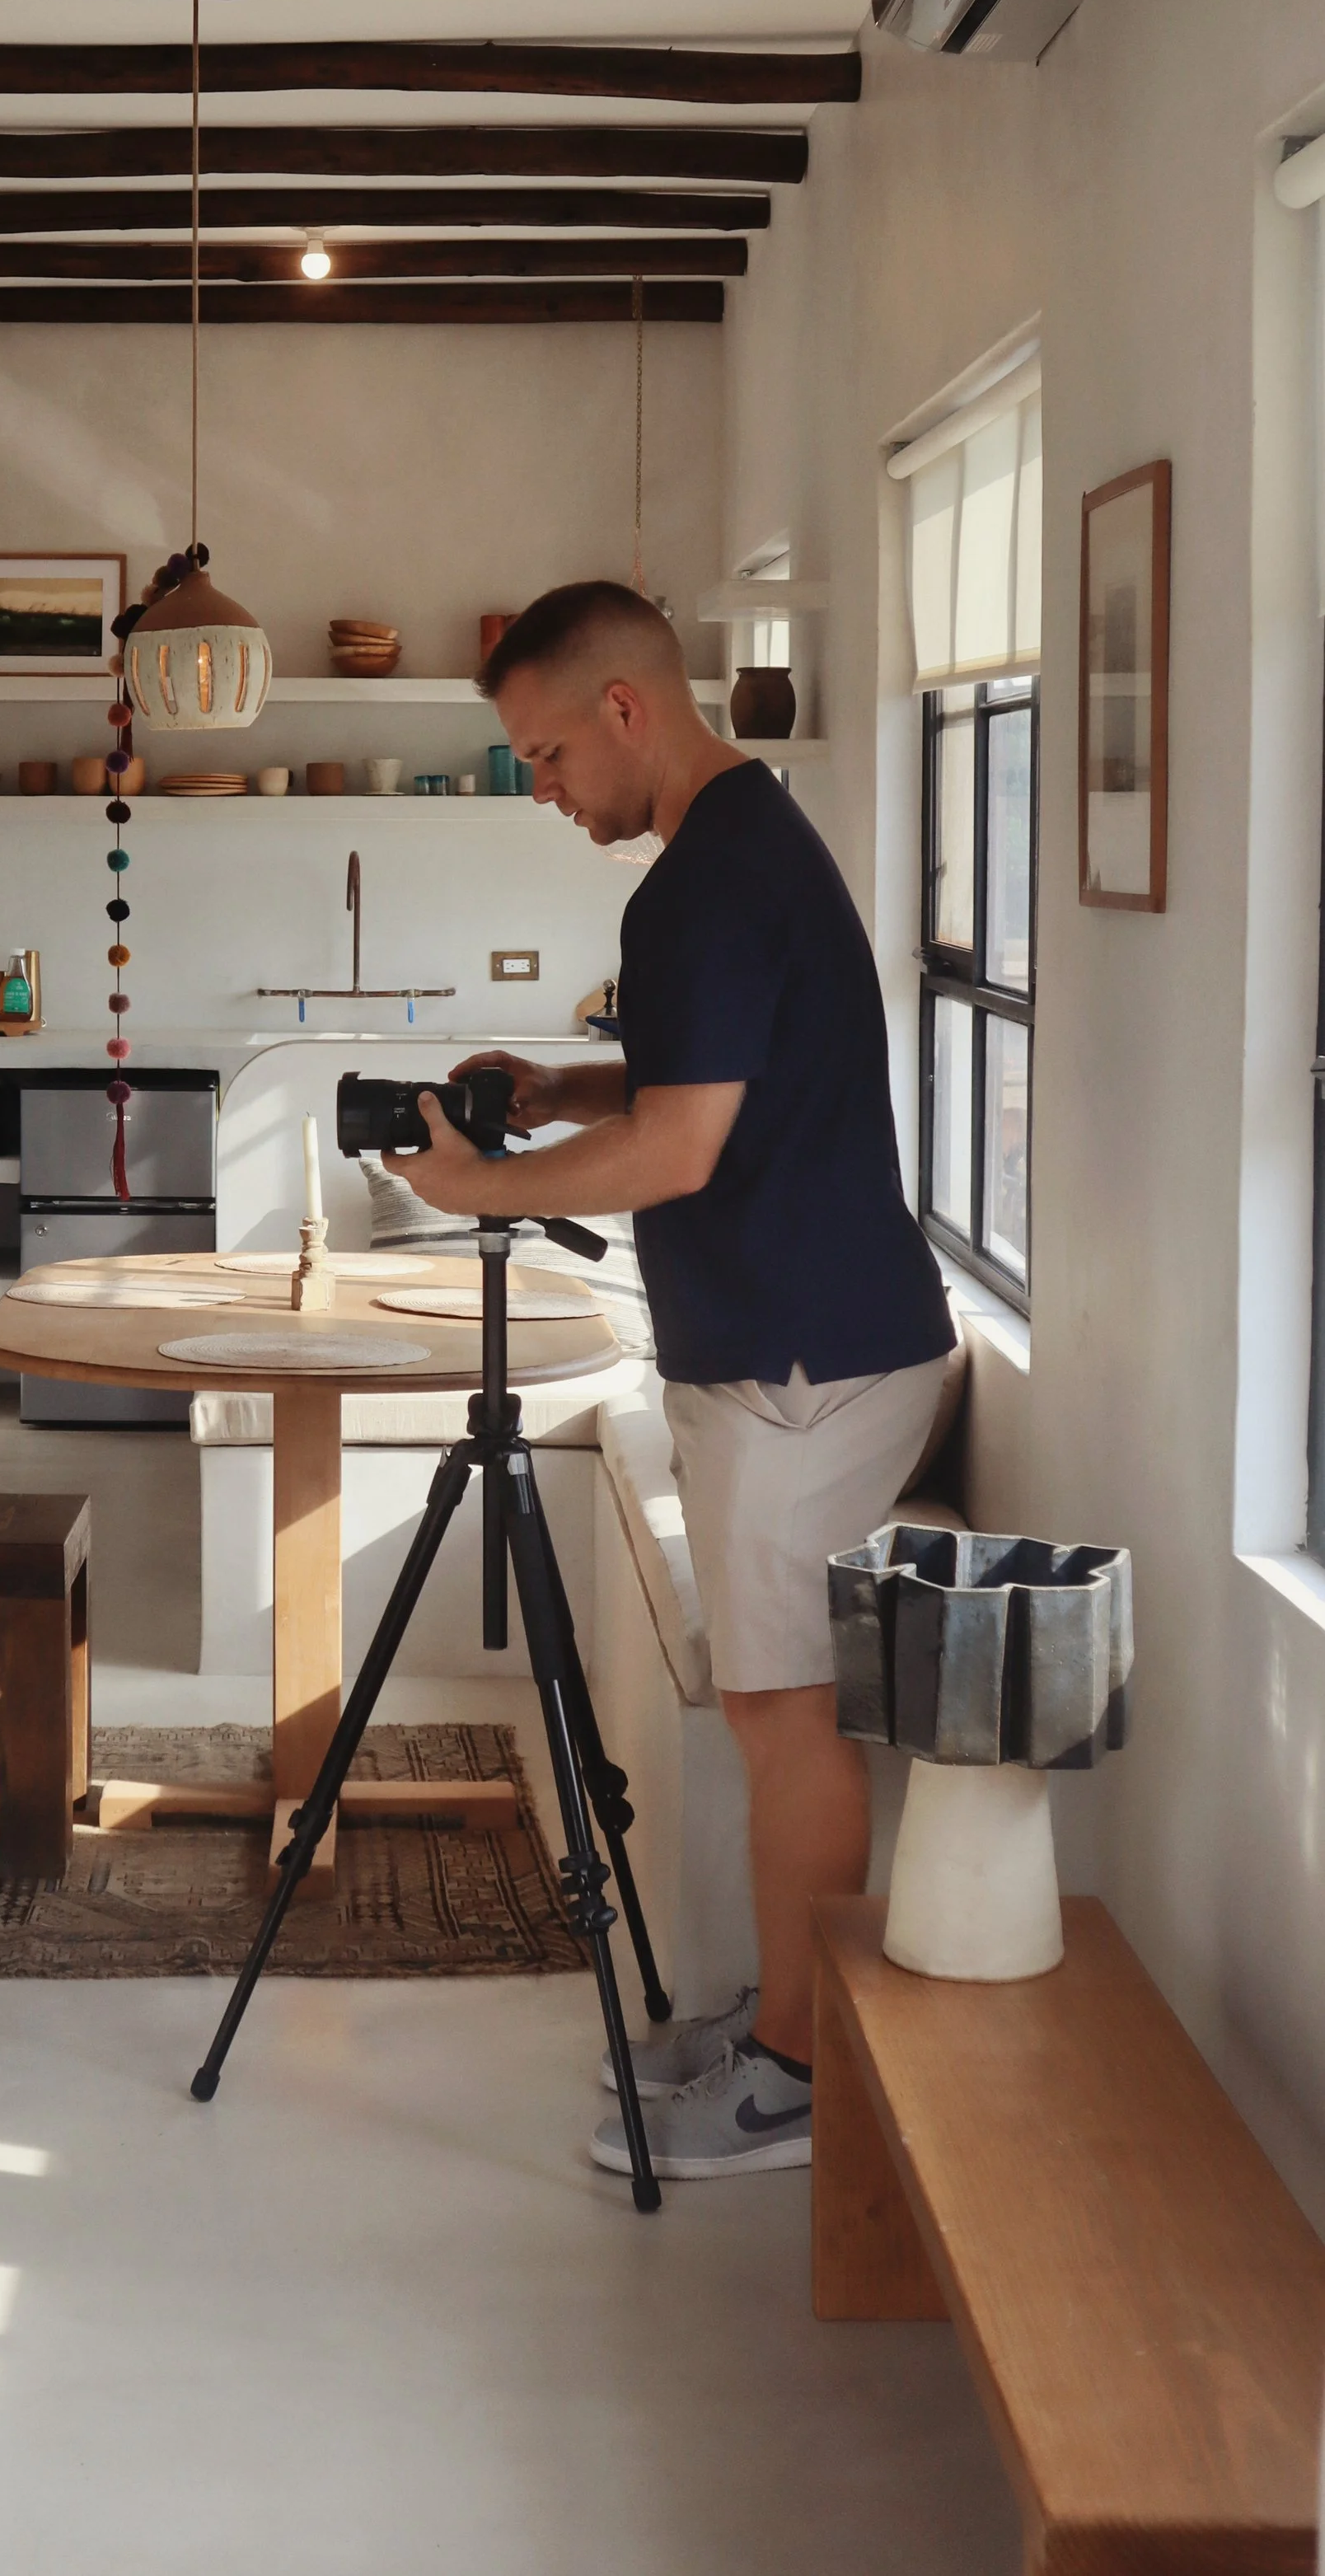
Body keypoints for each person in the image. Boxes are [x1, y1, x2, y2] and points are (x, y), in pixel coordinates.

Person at [384, 579, 953, 2181]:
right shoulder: (745, 844)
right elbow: (713, 1074)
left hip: (798, 1365)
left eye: (548, 755)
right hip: (808, 1342)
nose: (543, 792)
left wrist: (467, 1190)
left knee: (782, 1722)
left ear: (624, 710)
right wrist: (558, 1082)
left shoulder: (694, 889)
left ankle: (796, 2070)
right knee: (775, 1712)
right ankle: (778, 2015)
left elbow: (681, 1145)